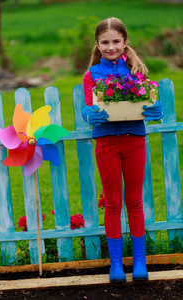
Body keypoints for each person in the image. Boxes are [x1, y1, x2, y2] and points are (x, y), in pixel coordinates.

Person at [82, 17, 163, 283]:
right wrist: (88, 114)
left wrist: (156, 110)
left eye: (116, 41)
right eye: (105, 42)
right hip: (106, 144)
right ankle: (116, 265)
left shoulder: (137, 71)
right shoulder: (92, 75)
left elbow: (148, 100)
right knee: (113, 202)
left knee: (135, 201)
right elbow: (87, 104)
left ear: (125, 42)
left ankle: (139, 262)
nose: (110, 47)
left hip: (134, 141)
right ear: (97, 44)